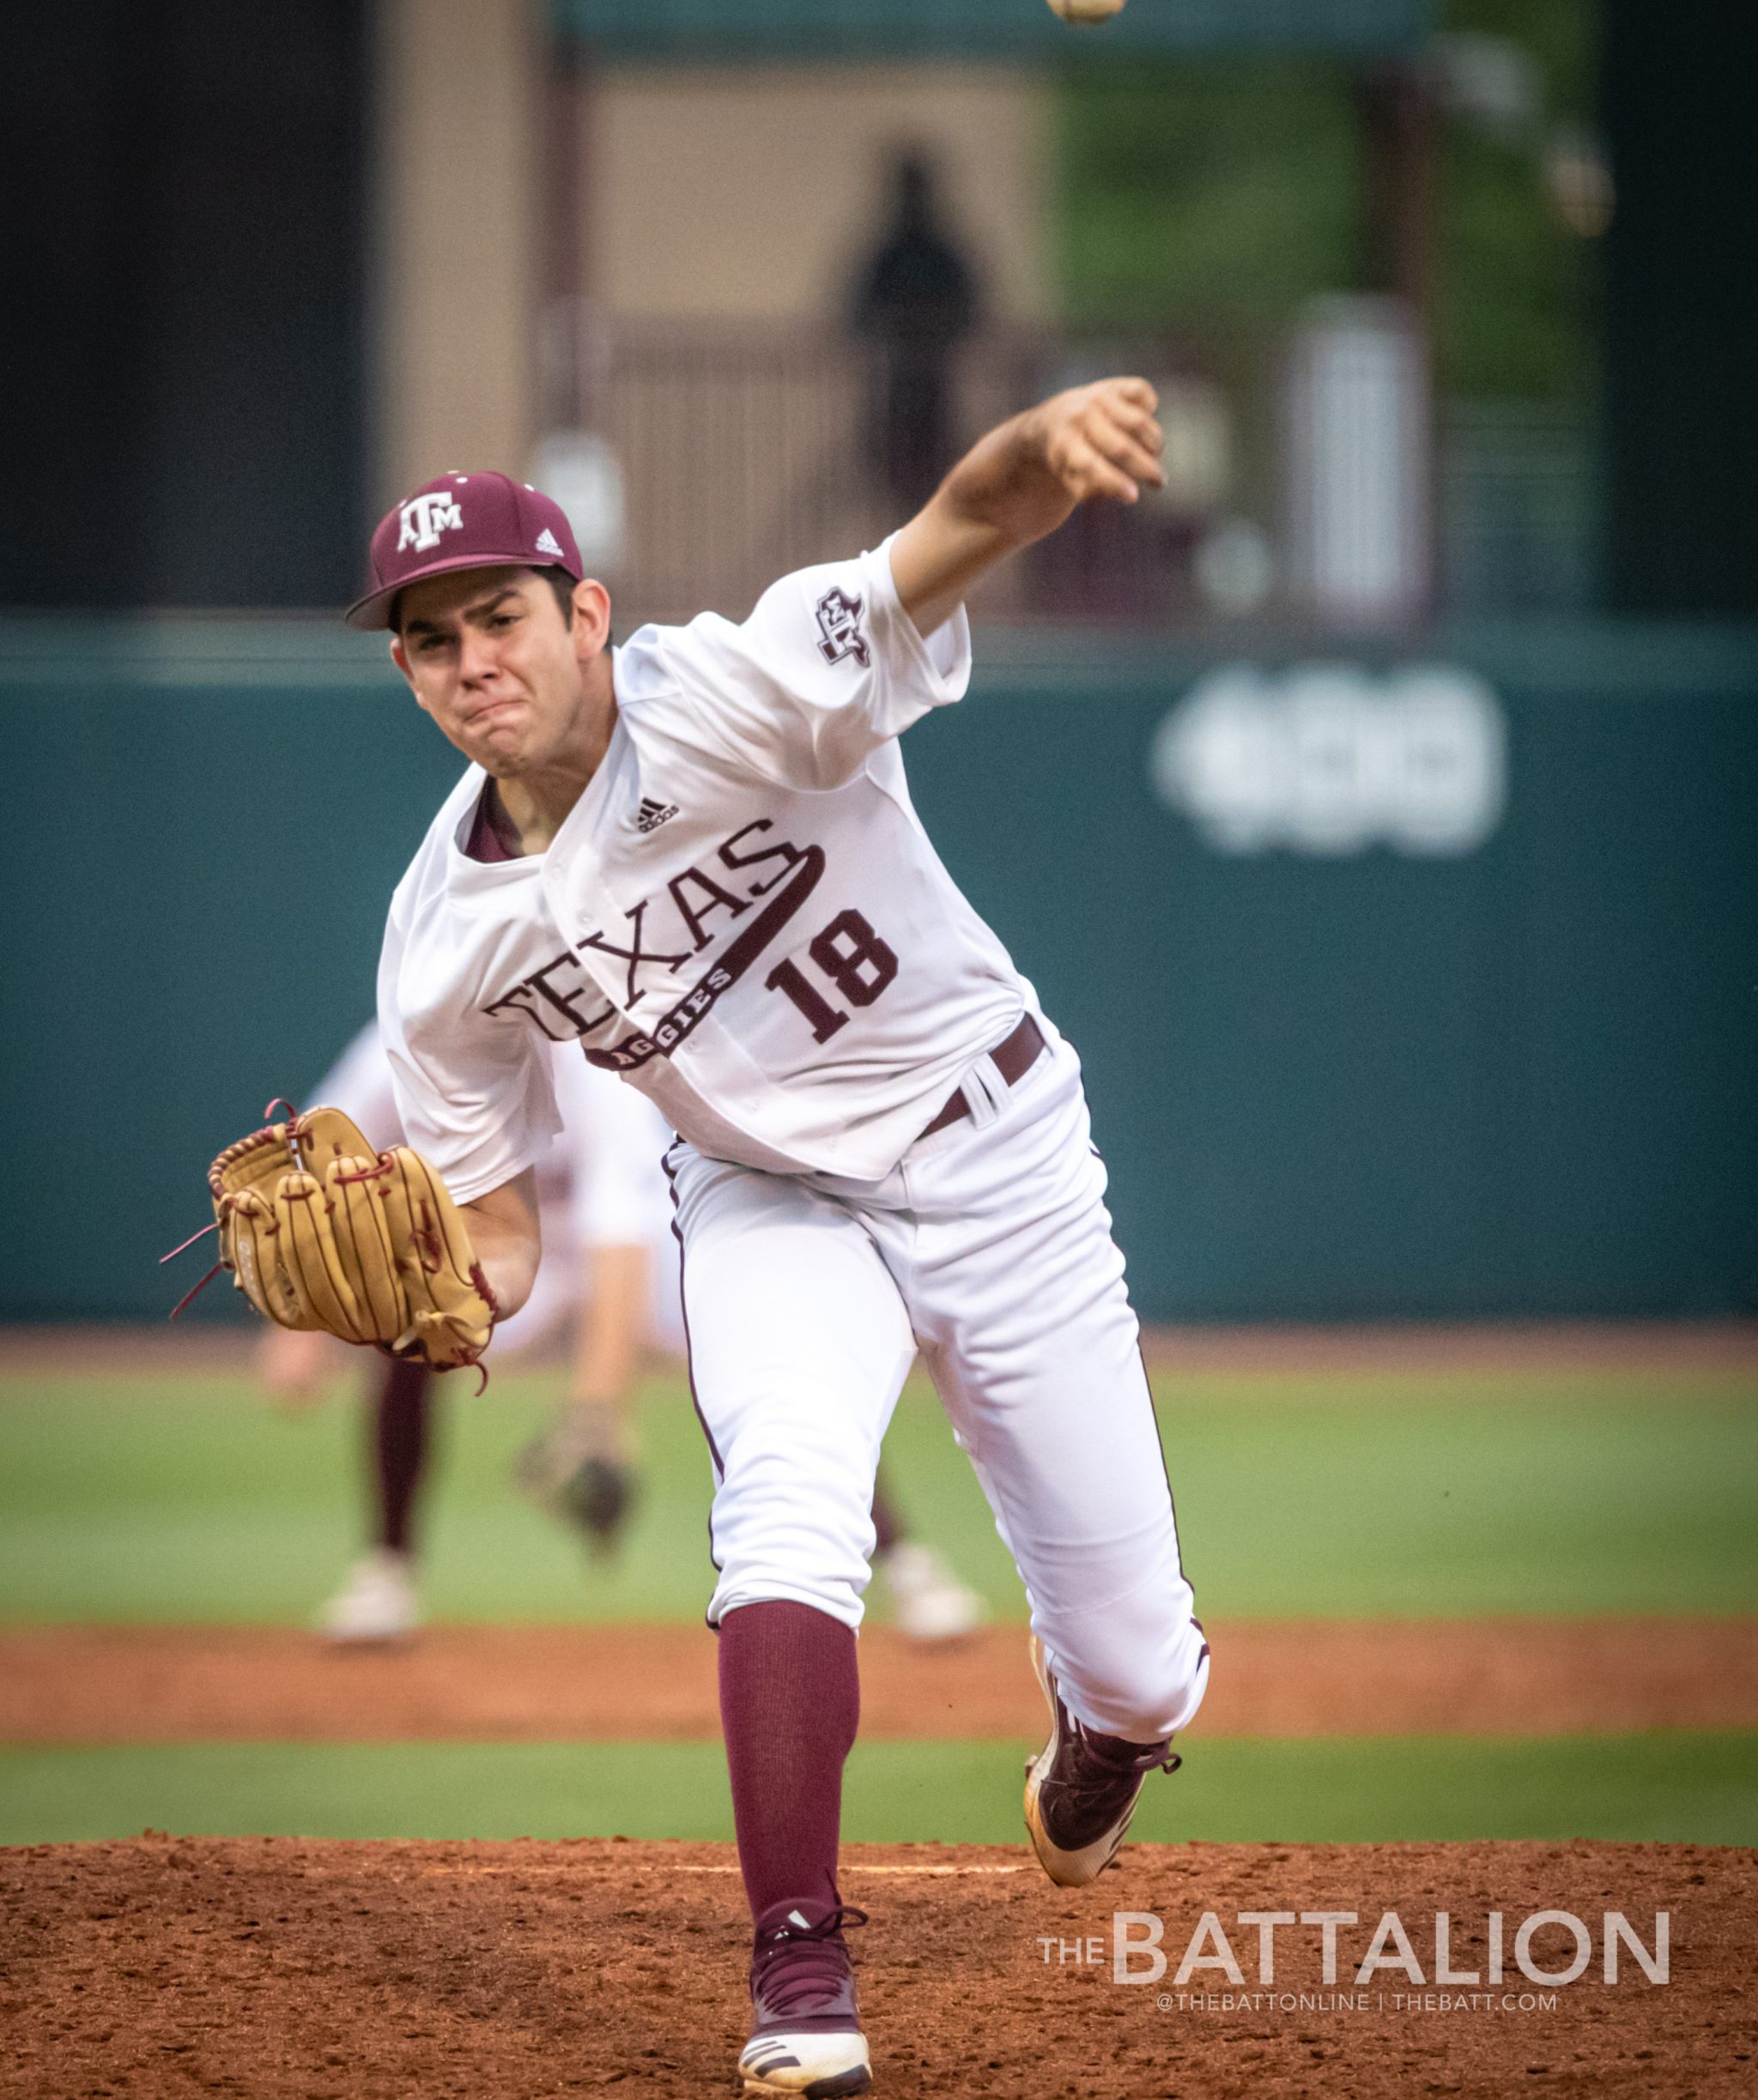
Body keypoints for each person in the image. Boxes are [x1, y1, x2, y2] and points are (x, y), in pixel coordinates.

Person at [350, 380, 1208, 2097]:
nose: (471, 658)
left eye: (501, 613)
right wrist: (452, 1296)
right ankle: (799, 1955)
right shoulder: (440, 942)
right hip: (768, 1202)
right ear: (407, 670)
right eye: (430, 637)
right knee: (785, 1508)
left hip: (1000, 1153)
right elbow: (502, 1221)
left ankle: (1104, 1728)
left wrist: (1040, 450)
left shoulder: (729, 687)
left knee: (1142, 1661)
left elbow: (944, 542)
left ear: (584, 614)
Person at [262, 1025, 985, 1649]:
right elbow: (306, 1173)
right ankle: (386, 1573)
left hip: (648, 1241)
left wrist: (598, 1409)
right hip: (502, 1245)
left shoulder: (585, 1053)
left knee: (769, 1357)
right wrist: (296, 1330)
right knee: (411, 1313)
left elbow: (620, 1240)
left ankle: (906, 1564)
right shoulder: (414, 1037)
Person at [850, 149, 981, 517]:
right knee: (899, 485)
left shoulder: (938, 252)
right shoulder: (889, 254)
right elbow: (855, 316)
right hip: (895, 396)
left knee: (933, 485)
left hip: (933, 395)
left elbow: (971, 311)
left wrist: (925, 330)